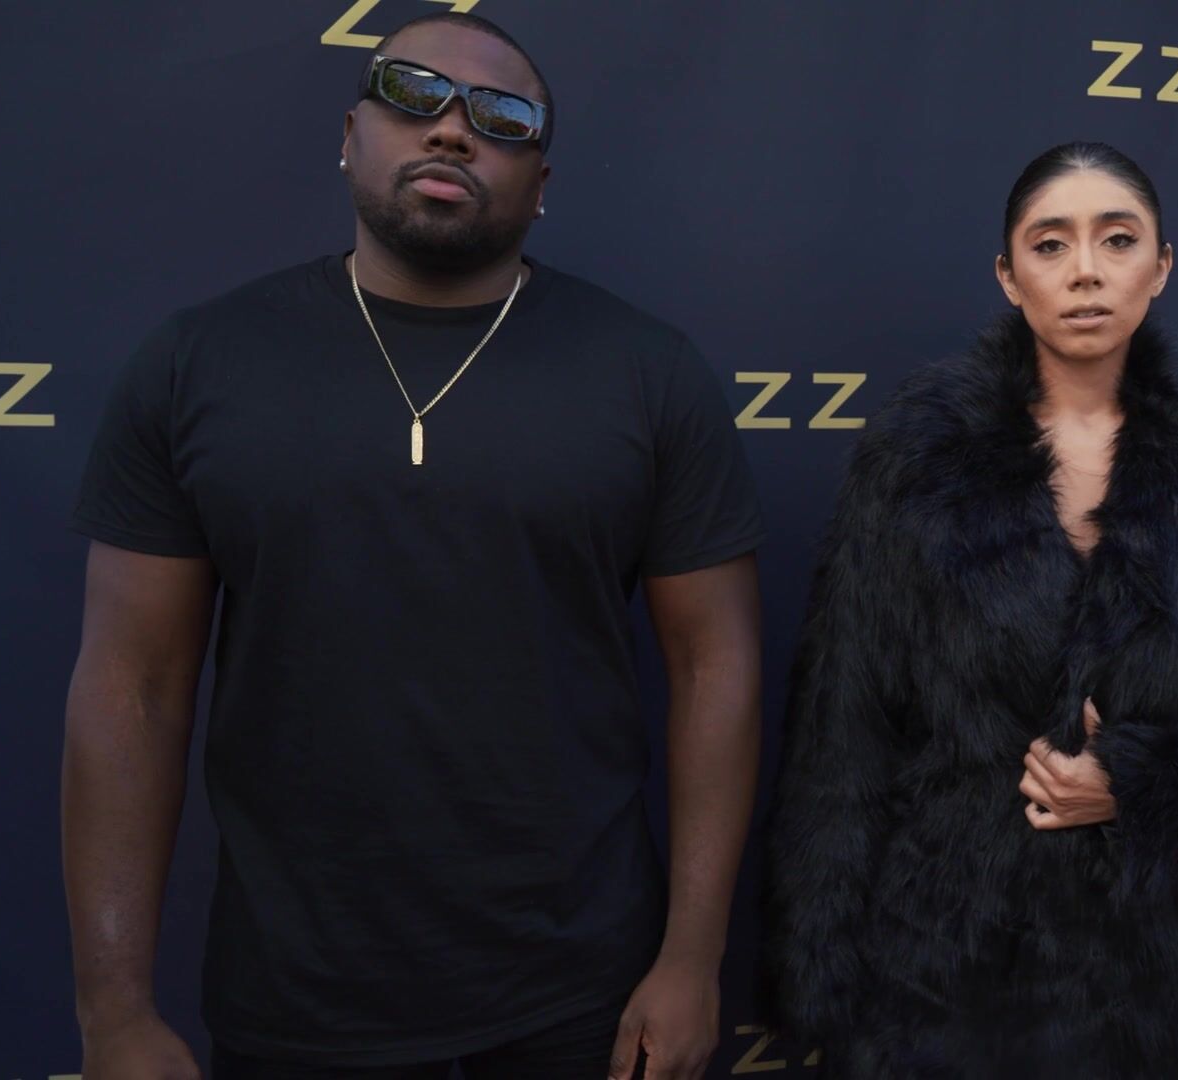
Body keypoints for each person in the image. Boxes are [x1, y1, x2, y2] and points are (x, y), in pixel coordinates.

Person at [61, 13, 763, 1080]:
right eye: (412, 94)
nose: (451, 129)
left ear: (541, 183)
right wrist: (112, 1009)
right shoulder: (197, 363)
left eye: (501, 116)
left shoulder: (649, 374)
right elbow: (132, 687)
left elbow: (715, 667)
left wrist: (692, 958)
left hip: (585, 999)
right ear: (351, 134)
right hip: (296, 1001)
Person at [760, 142, 1178, 1078]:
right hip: (935, 972)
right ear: (1009, 275)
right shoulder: (916, 459)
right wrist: (821, 967)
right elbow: (844, 721)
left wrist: (1141, 784)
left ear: (1161, 265)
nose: (1085, 270)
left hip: (1150, 980)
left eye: (1117, 239)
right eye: (1050, 244)